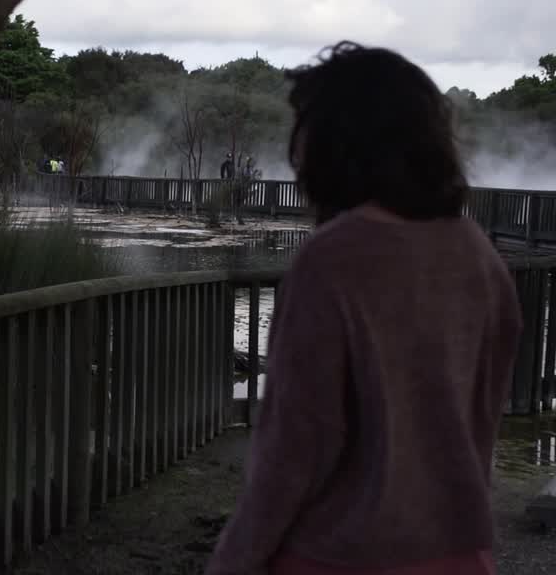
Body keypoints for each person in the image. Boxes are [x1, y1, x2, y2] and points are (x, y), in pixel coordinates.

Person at [206, 42, 522, 575]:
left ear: (335, 143)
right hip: (460, 552)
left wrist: (235, 558)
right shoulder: (477, 253)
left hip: (339, 556)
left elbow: (296, 450)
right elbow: (481, 420)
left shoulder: (332, 260)